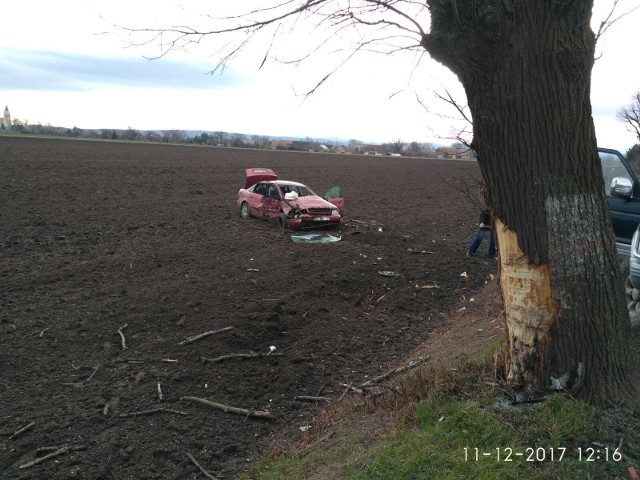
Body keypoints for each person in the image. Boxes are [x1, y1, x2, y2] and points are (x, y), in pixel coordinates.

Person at [466, 186, 496, 258]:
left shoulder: (495, 202)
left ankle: (491, 254)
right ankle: (470, 251)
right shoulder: (486, 204)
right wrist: (481, 223)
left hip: (494, 223)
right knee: (479, 237)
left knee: (493, 239)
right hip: (485, 222)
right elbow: (482, 214)